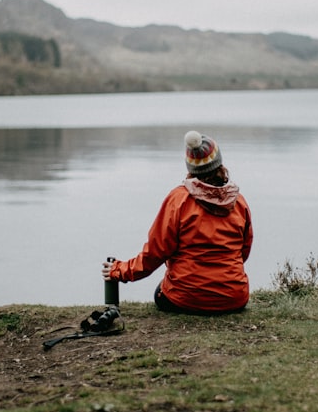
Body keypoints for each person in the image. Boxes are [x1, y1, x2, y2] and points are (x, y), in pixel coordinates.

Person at [101, 130, 253, 315]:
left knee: (161, 291)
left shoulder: (178, 200)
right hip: (234, 298)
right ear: (219, 163)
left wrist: (120, 270)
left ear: (190, 168)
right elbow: (243, 251)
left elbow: (155, 254)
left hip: (186, 298)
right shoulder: (239, 202)